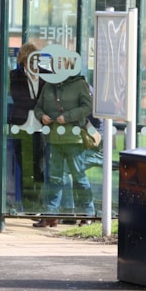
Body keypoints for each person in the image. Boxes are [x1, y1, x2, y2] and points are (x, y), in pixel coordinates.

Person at [32, 61, 97, 227]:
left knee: (79, 177)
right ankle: (52, 214)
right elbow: (38, 107)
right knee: (54, 177)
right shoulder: (49, 86)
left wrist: (67, 117)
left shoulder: (79, 84)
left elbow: (88, 107)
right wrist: (42, 116)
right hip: (54, 139)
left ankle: (87, 213)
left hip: (74, 139)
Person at [7, 42, 48, 211]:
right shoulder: (15, 76)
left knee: (39, 167)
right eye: (30, 61)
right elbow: (20, 99)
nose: (33, 65)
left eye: (36, 60)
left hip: (40, 128)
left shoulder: (46, 75)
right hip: (21, 126)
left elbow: (50, 100)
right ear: (23, 61)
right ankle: (28, 205)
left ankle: (38, 203)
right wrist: (40, 105)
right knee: (25, 168)